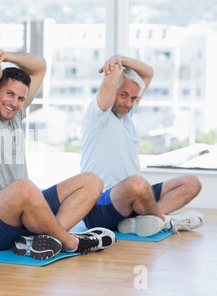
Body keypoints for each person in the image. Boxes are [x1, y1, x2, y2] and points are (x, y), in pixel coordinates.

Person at [0, 48, 116, 258]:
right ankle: (71, 242)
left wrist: (8, 56)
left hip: (25, 213)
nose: (14, 103)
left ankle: (44, 239)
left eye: (21, 98)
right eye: (9, 94)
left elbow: (40, 65)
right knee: (24, 188)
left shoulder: (15, 115)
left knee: (92, 181)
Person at [80, 55, 203, 236]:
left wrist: (121, 58)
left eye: (133, 98)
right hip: (100, 204)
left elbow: (148, 72)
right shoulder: (98, 115)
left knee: (192, 183)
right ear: (112, 90)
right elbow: (112, 81)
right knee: (137, 184)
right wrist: (115, 65)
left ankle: (144, 221)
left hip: (133, 200)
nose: (128, 103)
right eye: (123, 95)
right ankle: (165, 221)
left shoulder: (126, 116)